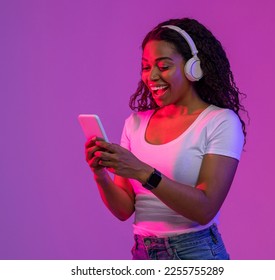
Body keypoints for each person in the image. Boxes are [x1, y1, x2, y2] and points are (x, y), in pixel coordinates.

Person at [85, 18, 247, 260]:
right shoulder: (135, 123)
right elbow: (124, 209)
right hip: (143, 253)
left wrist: (142, 171)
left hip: (196, 253)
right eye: (146, 66)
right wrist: (100, 175)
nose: (152, 76)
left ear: (194, 67)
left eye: (163, 66)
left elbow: (205, 208)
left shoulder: (220, 122)